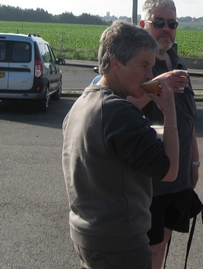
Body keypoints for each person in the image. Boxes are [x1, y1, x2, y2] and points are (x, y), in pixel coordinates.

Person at [62, 21, 180, 269]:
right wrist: (169, 112)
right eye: (144, 65)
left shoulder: (82, 103)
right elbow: (169, 171)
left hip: (87, 231)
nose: (150, 75)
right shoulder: (119, 111)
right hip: (119, 242)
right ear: (115, 63)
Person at [128, 0, 200, 269]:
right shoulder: (136, 64)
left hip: (178, 175)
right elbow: (122, 107)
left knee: (163, 244)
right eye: (159, 22)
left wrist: (194, 162)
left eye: (172, 23)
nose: (166, 29)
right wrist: (158, 83)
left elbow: (188, 119)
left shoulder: (176, 61)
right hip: (149, 177)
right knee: (147, 247)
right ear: (143, 24)